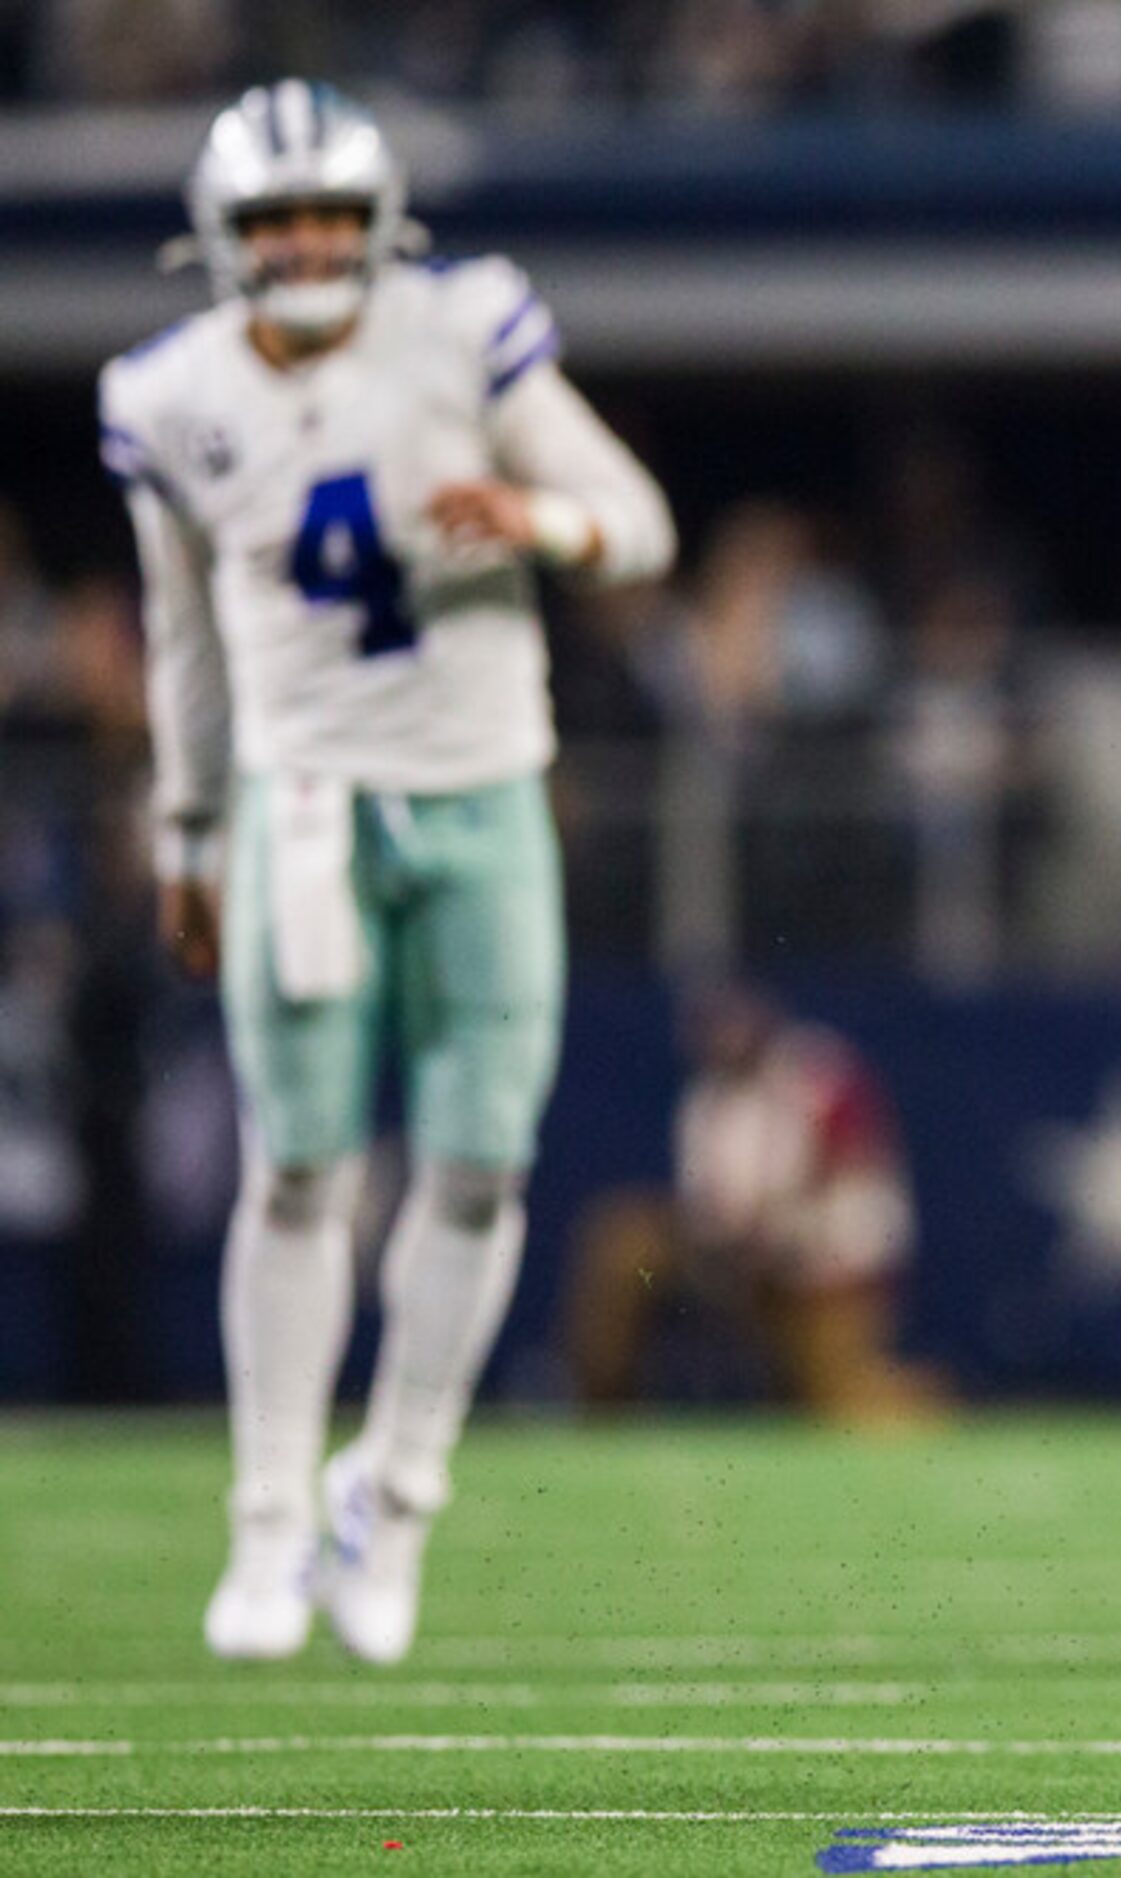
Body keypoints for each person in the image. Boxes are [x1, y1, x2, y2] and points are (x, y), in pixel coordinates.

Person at [101, 80, 676, 1664]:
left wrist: (535, 516)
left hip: (483, 782)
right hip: (301, 800)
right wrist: (186, 829)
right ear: (222, 237)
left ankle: (396, 1489)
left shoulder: (464, 328)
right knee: (300, 1166)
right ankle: (270, 1514)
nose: (303, 244)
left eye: (328, 216)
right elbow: (184, 645)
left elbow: (639, 526)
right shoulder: (166, 396)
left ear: (380, 224)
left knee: (482, 1160)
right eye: (276, 218)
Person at [563, 979, 947, 1423]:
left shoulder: (815, 1074)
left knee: (838, 1407)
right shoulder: (707, 1095)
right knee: (626, 1246)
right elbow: (708, 1204)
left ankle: (932, 1401)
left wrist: (771, 1232)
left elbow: (843, 1184)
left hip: (824, 1274)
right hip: (738, 1267)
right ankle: (602, 1411)